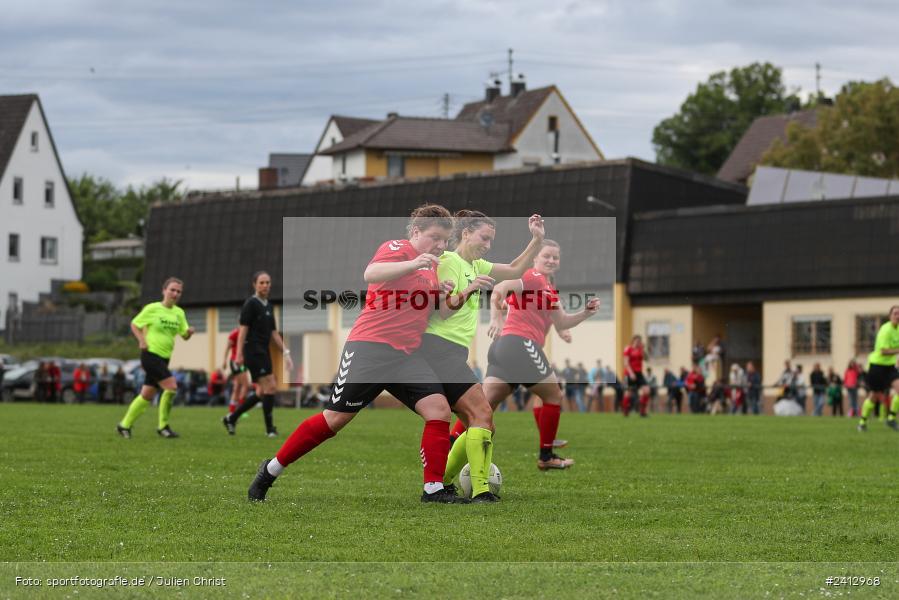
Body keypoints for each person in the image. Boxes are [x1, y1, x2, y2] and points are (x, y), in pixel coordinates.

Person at [246, 204, 464, 504]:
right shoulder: (398, 248)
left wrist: (443, 295)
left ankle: (433, 490)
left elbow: (429, 311)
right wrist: (414, 264)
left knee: (439, 410)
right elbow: (371, 273)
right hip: (370, 349)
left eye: (445, 241)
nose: (440, 245)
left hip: (405, 355)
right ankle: (270, 470)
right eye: (435, 237)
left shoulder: (431, 267)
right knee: (334, 420)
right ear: (416, 231)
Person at [421, 210, 546, 502]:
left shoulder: (475, 264)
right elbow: (442, 310)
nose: (488, 245)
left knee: (482, 421)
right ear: (466, 233)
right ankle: (480, 491)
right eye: (484, 238)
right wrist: (471, 288)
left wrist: (536, 240)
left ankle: (444, 483)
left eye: (491, 240)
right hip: (437, 348)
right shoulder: (449, 261)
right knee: (482, 415)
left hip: (450, 352)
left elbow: (514, 269)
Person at [484, 239, 600, 470]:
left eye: (555, 257)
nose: (551, 260)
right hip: (520, 343)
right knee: (553, 394)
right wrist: (496, 318)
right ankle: (546, 456)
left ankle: (451, 442)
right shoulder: (532, 276)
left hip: (503, 348)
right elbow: (500, 288)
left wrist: (585, 313)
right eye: (546, 255)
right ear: (535, 258)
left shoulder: (549, 290)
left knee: (484, 407)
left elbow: (562, 321)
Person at [116, 277, 195, 439]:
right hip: (151, 355)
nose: (175, 294)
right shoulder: (152, 308)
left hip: (165, 358)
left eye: (179, 291)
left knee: (147, 395)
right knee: (171, 387)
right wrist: (141, 340)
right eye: (172, 290)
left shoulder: (179, 313)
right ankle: (163, 427)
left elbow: (184, 335)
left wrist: (189, 333)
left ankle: (124, 425)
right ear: (164, 291)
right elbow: (134, 324)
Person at [222, 271, 293, 437]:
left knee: (261, 392)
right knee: (271, 386)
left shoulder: (269, 306)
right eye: (262, 282)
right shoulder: (250, 304)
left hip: (264, 350)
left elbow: (274, 333)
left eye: (268, 282)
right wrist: (239, 354)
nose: (265, 285)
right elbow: (242, 331)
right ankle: (270, 429)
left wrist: (286, 353)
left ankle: (231, 418)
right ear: (254, 284)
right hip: (253, 351)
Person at [858, 305, 899, 432]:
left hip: (890, 367)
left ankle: (891, 418)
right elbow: (883, 351)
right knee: (874, 396)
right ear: (890, 316)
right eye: (895, 313)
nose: (897, 316)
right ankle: (862, 422)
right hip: (877, 366)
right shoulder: (885, 330)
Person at [223, 326, 250, 415]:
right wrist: (224, 360)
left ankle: (232, 411)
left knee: (237, 387)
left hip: (243, 363)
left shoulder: (248, 333)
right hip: (236, 362)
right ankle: (239, 410)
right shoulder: (235, 333)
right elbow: (228, 347)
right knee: (246, 385)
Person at [622, 335, 650, 417]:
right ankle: (625, 411)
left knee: (647, 390)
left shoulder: (640, 350)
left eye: (639, 341)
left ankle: (642, 411)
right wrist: (631, 373)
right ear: (633, 341)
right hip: (629, 373)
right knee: (628, 393)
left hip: (639, 373)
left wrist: (643, 349)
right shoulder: (628, 349)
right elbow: (626, 363)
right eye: (637, 341)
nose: (638, 343)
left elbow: (646, 359)